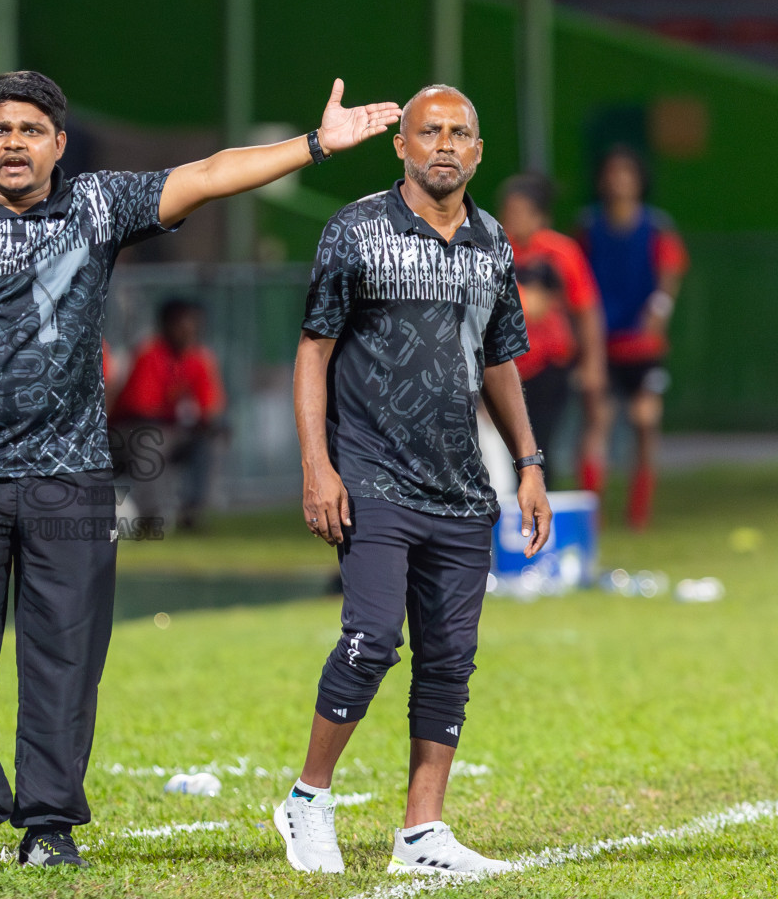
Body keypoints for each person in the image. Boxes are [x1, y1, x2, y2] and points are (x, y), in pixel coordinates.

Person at [0, 70, 400, 873]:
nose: (14, 143)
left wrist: (312, 144)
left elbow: (205, 176)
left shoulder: (98, 206)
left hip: (71, 472)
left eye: (31, 129)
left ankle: (50, 825)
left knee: (65, 651)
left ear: (59, 144)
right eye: (0, 129)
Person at [273, 85, 550, 877]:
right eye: (428, 130)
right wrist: (317, 465)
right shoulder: (355, 229)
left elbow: (500, 361)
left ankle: (422, 835)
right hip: (370, 473)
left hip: (461, 484)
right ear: (401, 144)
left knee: (450, 659)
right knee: (370, 639)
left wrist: (528, 464)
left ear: (479, 151)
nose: (444, 144)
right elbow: (313, 352)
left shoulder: (493, 241)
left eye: (461, 132)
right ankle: (307, 800)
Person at [577, 146, 689, 529]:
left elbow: (671, 272)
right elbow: (575, 279)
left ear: (640, 180)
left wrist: (659, 309)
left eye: (627, 173)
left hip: (642, 346)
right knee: (599, 423)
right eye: (613, 173)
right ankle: (591, 513)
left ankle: (638, 513)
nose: (619, 180)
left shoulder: (657, 227)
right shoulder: (589, 226)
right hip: (602, 343)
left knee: (645, 420)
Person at [496, 172, 607, 474]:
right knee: (503, 445)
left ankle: (539, 508)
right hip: (506, 365)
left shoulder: (561, 252)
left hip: (549, 363)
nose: (510, 218)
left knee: (539, 443)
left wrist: (593, 364)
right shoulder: (496, 250)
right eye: (507, 211)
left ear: (538, 215)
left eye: (518, 211)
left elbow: (586, 309)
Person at [110, 298, 227, 529]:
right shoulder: (150, 353)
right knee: (150, 439)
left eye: (194, 324)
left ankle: (192, 513)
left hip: (171, 430)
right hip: (124, 434)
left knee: (209, 442)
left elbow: (210, 409)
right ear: (166, 325)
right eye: (183, 324)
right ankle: (150, 516)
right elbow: (142, 411)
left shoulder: (198, 357)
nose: (189, 330)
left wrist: (207, 423)